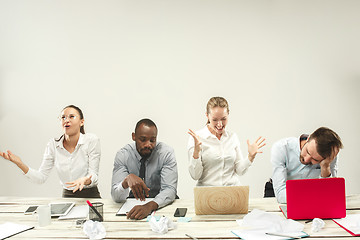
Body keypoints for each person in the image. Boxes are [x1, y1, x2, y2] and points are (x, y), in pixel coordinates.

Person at [0, 105, 101, 198]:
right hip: (67, 196)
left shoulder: (91, 140)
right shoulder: (53, 145)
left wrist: (86, 180)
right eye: (63, 117)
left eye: (71, 116)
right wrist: (20, 164)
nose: (66, 120)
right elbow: (41, 177)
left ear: (81, 122)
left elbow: (94, 175)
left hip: (90, 196)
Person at [188, 96, 266, 186]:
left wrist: (251, 157)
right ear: (207, 116)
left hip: (232, 191)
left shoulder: (232, 137)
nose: (220, 124)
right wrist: (196, 152)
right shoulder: (197, 138)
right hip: (208, 193)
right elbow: (195, 176)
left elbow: (240, 171)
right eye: (215, 120)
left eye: (223, 119)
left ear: (228, 114)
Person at [111, 118, 178, 220]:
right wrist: (126, 182)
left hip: (162, 204)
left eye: (152, 140)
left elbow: (169, 189)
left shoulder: (166, 153)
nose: (148, 144)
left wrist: (149, 206)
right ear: (134, 136)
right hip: (133, 203)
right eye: (143, 139)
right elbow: (116, 197)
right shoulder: (123, 155)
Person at [271, 127, 343, 204]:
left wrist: (325, 167)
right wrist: (316, 195)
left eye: (315, 160)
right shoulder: (281, 148)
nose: (306, 159)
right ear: (308, 139)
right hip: (281, 193)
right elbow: (281, 195)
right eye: (307, 151)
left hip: (312, 198)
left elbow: (331, 194)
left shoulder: (329, 156)